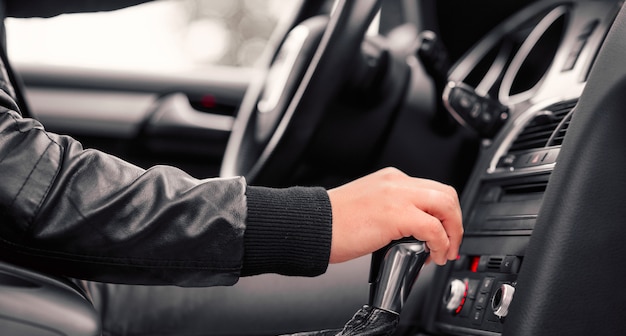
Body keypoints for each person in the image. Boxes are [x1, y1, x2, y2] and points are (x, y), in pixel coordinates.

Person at [0, 0, 463, 288]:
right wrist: (311, 221)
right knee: (429, 285)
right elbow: (26, 189)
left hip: (35, 279)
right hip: (34, 290)